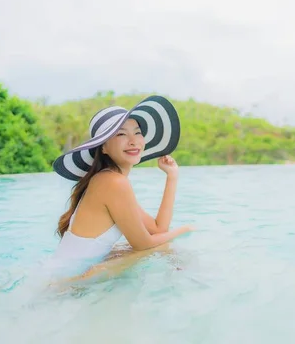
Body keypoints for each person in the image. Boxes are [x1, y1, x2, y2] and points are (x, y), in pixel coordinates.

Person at [45, 95, 193, 280]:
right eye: (121, 134)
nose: (133, 141)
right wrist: (184, 230)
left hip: (67, 276)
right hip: (66, 283)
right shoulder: (114, 183)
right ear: (104, 147)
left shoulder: (108, 180)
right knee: (166, 248)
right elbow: (143, 244)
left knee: (154, 246)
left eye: (137, 132)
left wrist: (172, 176)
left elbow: (158, 229)